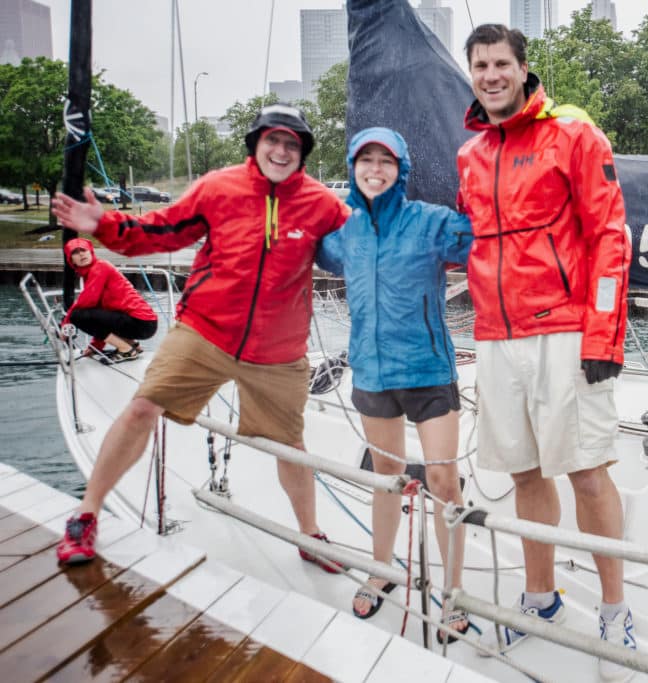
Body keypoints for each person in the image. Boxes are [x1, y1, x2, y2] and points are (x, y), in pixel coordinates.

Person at [50, 103, 350, 572]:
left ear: (303, 153)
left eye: (292, 143)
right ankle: (85, 514)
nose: (281, 149)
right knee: (142, 407)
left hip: (279, 352)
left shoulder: (323, 204)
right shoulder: (219, 187)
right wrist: (103, 225)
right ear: (256, 144)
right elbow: (161, 231)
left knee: (292, 445)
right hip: (205, 332)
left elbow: (367, 247)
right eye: (272, 139)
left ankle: (309, 536)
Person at [456, 24, 636, 680]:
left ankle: (615, 609)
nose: (491, 74)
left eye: (501, 63)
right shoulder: (470, 155)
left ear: (523, 68)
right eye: (480, 65)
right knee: (524, 473)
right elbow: (473, 240)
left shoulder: (573, 136)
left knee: (587, 469)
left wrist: (604, 334)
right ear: (472, 73)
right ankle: (542, 598)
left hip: (564, 330)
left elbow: (610, 237)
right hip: (498, 337)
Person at [316, 127, 473, 643]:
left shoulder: (430, 222)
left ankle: (454, 591)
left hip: (428, 372)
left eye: (386, 160)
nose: (375, 169)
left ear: (400, 168)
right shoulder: (344, 233)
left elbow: (481, 239)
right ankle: (382, 569)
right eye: (366, 160)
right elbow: (302, 246)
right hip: (373, 374)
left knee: (443, 481)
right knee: (385, 477)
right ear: (353, 168)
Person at [61, 237, 157, 362]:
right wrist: (95, 347)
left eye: (83, 250)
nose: (81, 254)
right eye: (75, 252)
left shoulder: (99, 267)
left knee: (77, 316)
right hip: (144, 323)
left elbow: (86, 302)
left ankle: (126, 350)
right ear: (71, 260)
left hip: (141, 323)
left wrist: (66, 322)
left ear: (90, 252)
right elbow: (100, 316)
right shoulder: (91, 272)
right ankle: (132, 345)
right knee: (86, 314)